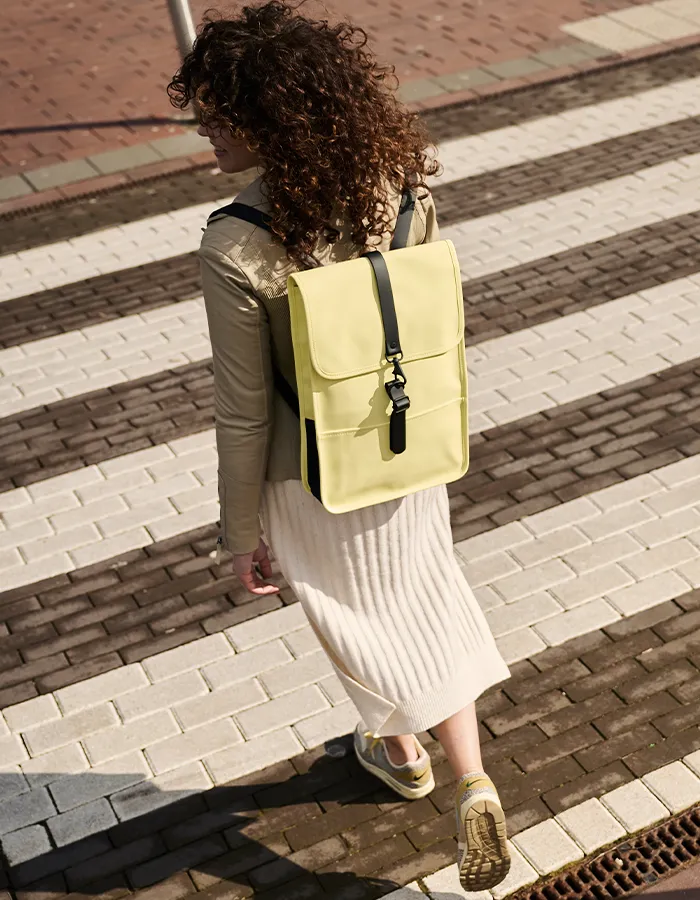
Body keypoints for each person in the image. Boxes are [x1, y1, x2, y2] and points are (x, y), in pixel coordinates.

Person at [169, 1, 511, 890]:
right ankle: (465, 775)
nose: (206, 134)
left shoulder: (236, 241)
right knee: (422, 595)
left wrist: (238, 533)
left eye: (219, 115)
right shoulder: (400, 187)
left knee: (355, 621)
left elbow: (244, 411)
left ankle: (405, 755)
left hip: (311, 472)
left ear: (267, 118)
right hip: (405, 443)